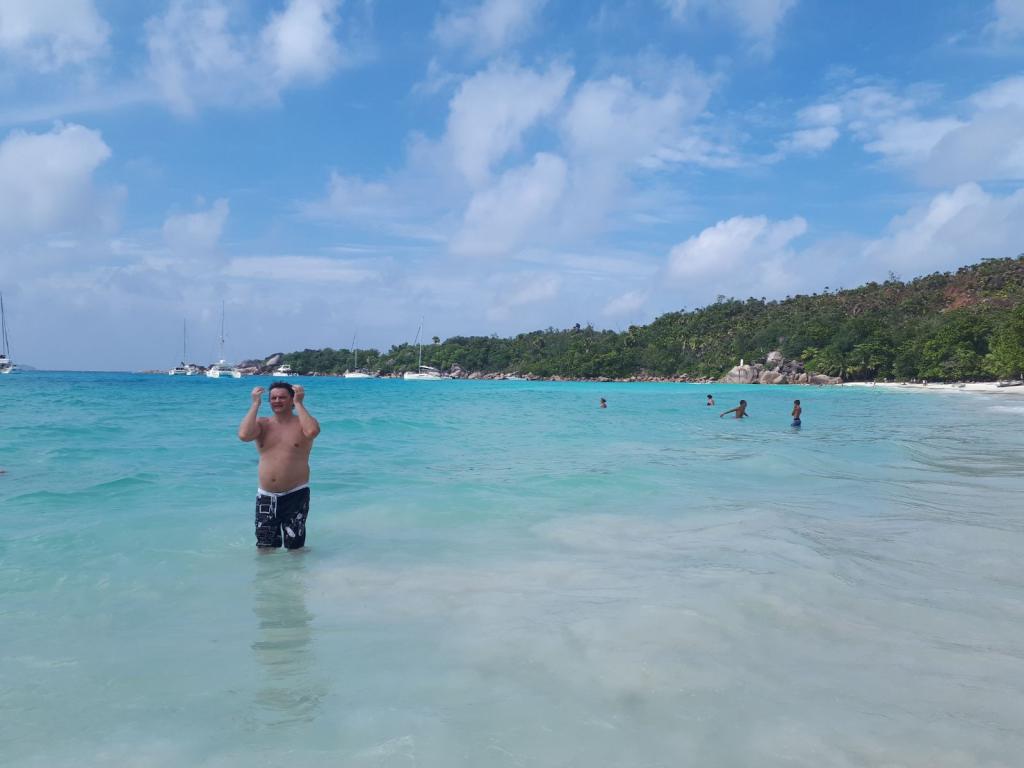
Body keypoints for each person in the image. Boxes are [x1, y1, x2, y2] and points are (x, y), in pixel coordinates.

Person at [238, 381, 321, 550]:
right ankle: (269, 570)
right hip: (266, 496)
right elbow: (244, 435)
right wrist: (255, 404)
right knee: (265, 547)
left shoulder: (302, 424)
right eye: (273, 398)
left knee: (295, 547)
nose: (277, 401)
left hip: (296, 494)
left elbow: (312, 432)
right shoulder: (263, 424)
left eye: (282, 397)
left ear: (291, 399)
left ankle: (296, 569)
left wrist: (299, 403)